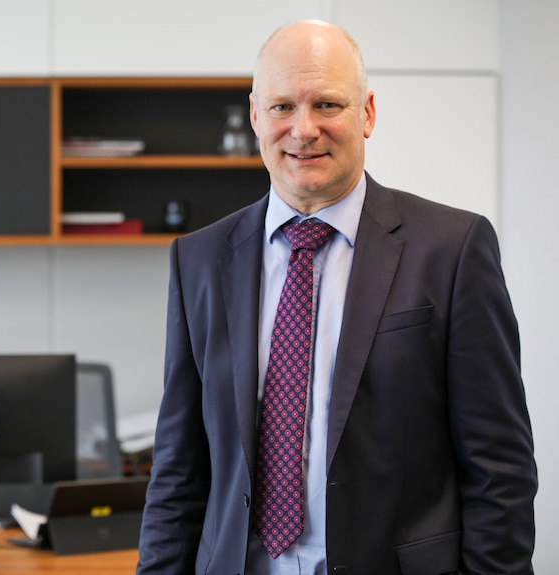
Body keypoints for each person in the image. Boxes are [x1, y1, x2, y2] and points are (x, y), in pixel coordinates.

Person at [136, 19, 537, 575]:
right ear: (255, 115)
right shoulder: (199, 259)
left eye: (327, 104)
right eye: (281, 107)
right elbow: (178, 470)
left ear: (367, 113)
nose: (303, 130)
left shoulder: (453, 250)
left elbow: (500, 471)